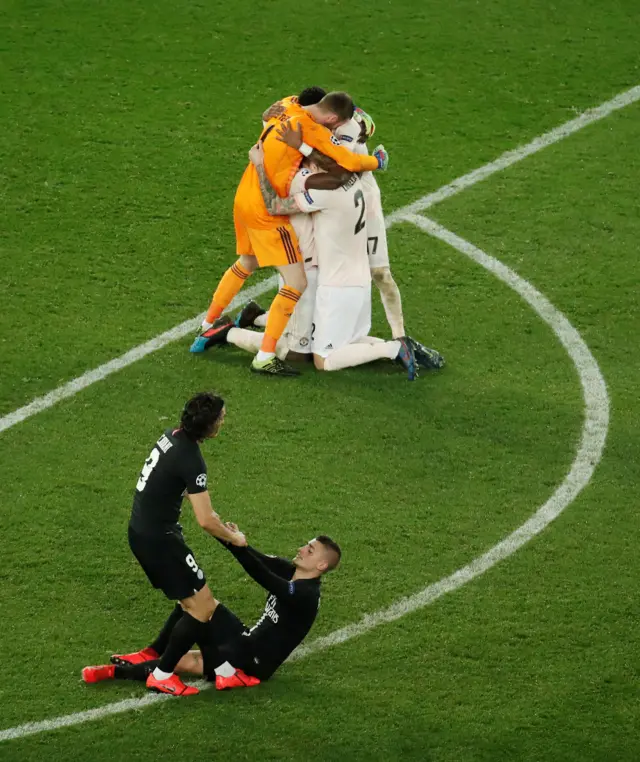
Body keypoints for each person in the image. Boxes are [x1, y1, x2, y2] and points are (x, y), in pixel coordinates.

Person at [190, 91, 390, 377]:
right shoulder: (308, 132)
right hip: (267, 208)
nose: (332, 133)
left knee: (247, 262)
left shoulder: (287, 106)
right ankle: (262, 354)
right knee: (296, 283)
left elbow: (268, 112)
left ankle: (210, 322)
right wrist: (377, 162)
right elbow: (346, 166)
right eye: (334, 127)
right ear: (331, 119)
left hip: (243, 197)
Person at [82, 535, 341, 690]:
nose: (301, 549)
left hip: (255, 661)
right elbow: (256, 557)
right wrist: (225, 536)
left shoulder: (307, 595)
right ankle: (112, 672)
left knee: (202, 604)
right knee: (180, 660)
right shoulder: (292, 571)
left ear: (321, 564)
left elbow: (261, 574)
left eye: (310, 549)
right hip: (243, 648)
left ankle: (152, 654)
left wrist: (234, 543)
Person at [119, 392, 247, 696]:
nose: (223, 422)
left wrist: (213, 514)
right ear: (211, 426)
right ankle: (162, 674)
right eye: (221, 418)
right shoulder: (192, 459)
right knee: (202, 607)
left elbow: (182, 489)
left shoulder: (170, 437)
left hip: (141, 532)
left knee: (192, 599)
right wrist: (235, 538)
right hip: (160, 541)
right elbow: (204, 520)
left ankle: (210, 668)